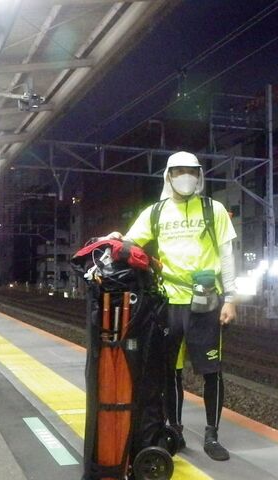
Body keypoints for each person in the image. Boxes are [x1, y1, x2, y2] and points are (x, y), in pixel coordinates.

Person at [111, 151, 237, 461]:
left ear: (199, 175)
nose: (186, 177)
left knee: (211, 371)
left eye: (192, 171)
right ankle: (175, 431)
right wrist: (116, 237)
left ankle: (212, 434)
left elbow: (226, 255)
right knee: (170, 371)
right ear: (168, 176)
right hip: (168, 302)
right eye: (179, 171)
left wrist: (231, 299)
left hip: (206, 302)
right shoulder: (155, 212)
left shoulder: (213, 209)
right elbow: (131, 243)